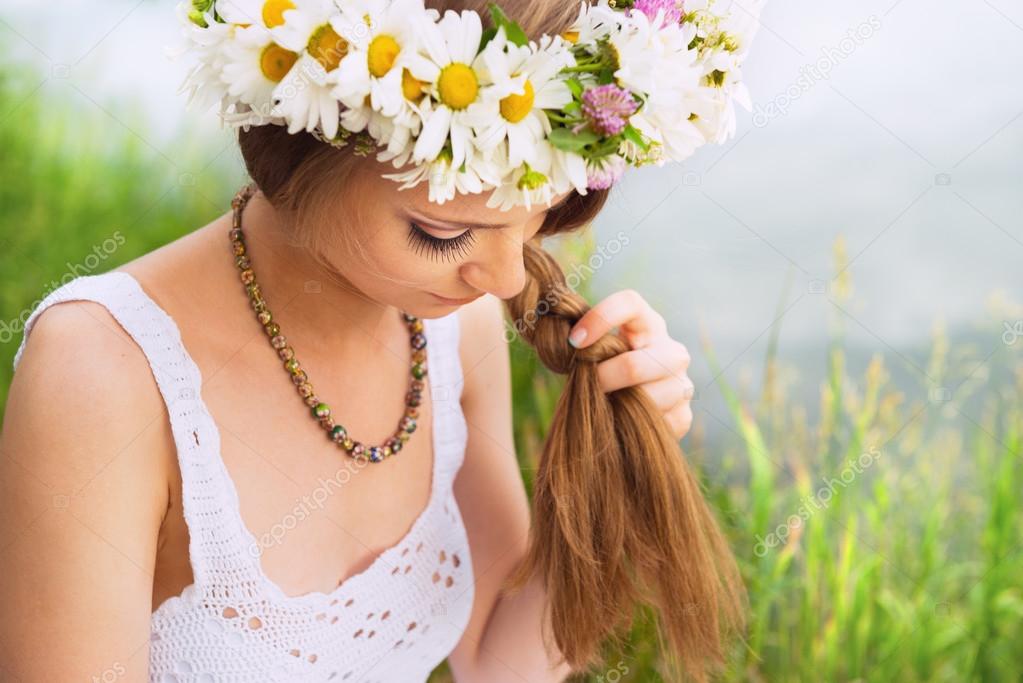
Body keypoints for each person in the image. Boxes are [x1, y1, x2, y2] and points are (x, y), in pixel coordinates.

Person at [0, 0, 762, 680]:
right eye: (443, 231)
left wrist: (615, 466)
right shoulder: (102, 374)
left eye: (539, 219)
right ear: (305, 139)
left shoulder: (451, 327)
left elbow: (498, 663)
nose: (503, 281)